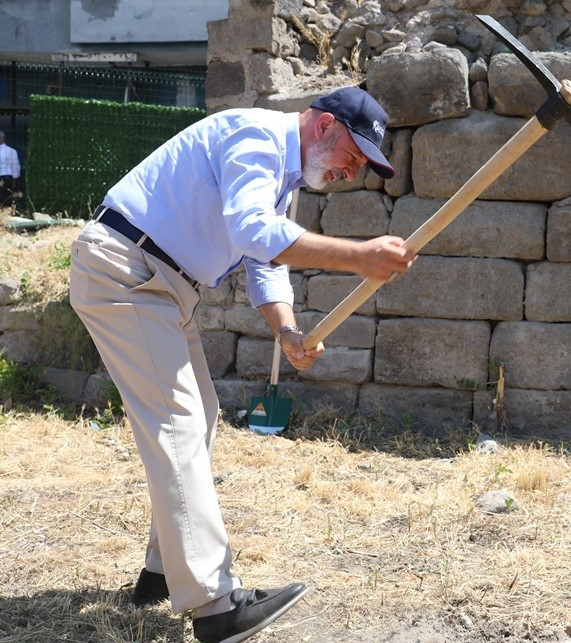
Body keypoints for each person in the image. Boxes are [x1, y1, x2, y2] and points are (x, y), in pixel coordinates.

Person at [69, 87, 416, 643]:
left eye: (361, 165)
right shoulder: (255, 135)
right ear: (324, 125)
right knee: (178, 424)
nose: (351, 172)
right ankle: (214, 605)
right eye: (353, 154)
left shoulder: (282, 173)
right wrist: (358, 256)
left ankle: (164, 572)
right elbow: (255, 233)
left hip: (158, 282)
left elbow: (263, 261)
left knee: (198, 418)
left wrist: (287, 331)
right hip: (125, 269)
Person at [0, 130, 21, 209]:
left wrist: (14, 179)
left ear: (2, 139)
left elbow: (15, 165)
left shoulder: (10, 151)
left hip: (5, 177)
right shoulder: (11, 151)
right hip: (5, 177)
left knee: (5, 198)